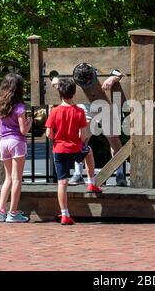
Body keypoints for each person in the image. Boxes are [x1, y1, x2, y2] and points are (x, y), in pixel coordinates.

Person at [52, 64, 127, 186]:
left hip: (105, 105)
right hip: (85, 106)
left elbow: (120, 72)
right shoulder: (75, 70)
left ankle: (119, 173)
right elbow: (57, 77)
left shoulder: (100, 66)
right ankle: (78, 174)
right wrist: (55, 78)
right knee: (81, 139)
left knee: (113, 139)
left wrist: (113, 78)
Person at [45, 77, 101, 225]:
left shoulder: (54, 111)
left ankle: (64, 214)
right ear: (74, 93)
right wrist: (76, 140)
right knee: (88, 151)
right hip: (75, 148)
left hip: (59, 150)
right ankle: (91, 182)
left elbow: (48, 134)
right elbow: (83, 136)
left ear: (59, 94)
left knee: (62, 182)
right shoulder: (79, 111)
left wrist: (59, 138)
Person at [0, 73, 32, 223]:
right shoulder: (19, 107)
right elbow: (23, 131)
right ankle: (13, 213)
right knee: (17, 179)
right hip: (16, 142)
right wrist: (29, 123)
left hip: (3, 142)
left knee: (7, 178)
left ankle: (0, 211)